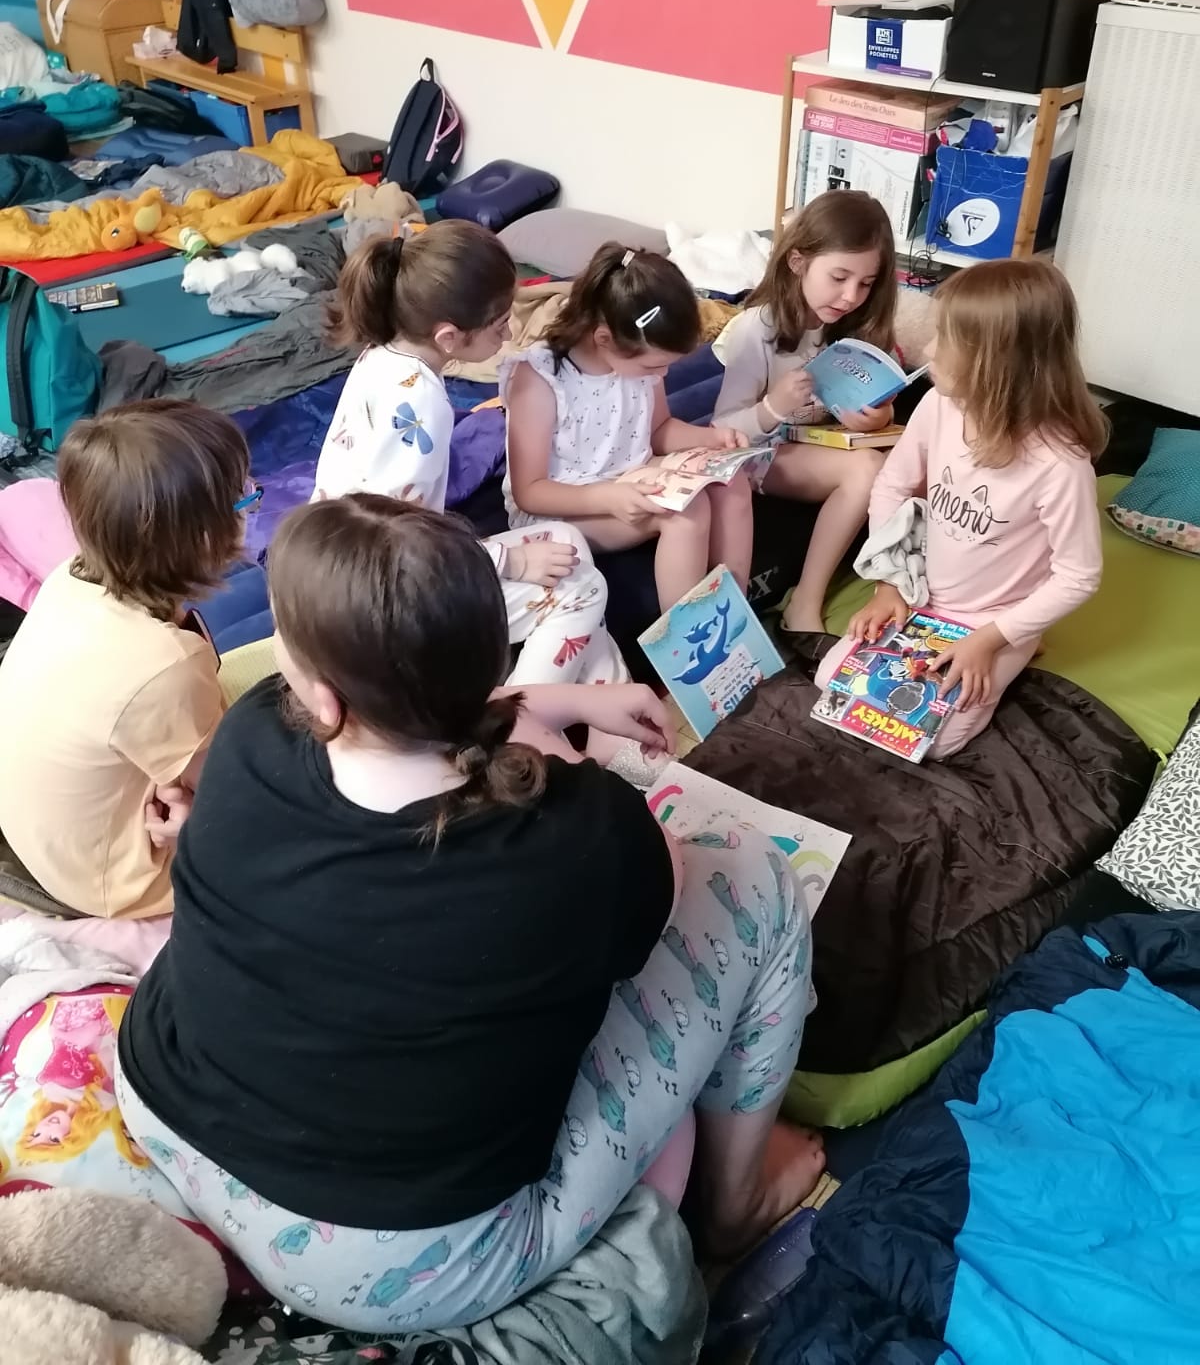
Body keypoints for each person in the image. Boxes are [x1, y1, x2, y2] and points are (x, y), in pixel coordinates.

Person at [115, 496, 823, 1332]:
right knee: (751, 876)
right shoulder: (579, 835)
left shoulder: (250, 733)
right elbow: (666, 887)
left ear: (326, 699)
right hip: (384, 1261)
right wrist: (550, 739)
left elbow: (412, 720)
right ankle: (738, 1205)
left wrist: (538, 710)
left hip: (162, 1104)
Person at [313, 222, 624, 684]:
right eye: (499, 326)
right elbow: (403, 544)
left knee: (566, 542)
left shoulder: (382, 356)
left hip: (345, 574)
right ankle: (527, 716)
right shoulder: (422, 402)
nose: (511, 333)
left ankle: (606, 699)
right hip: (383, 606)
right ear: (448, 337)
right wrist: (510, 562)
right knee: (584, 590)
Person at [820, 258, 1107, 758]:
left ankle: (1024, 642)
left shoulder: (1061, 464)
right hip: (921, 595)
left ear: (996, 361)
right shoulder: (938, 404)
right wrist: (890, 585)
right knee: (831, 685)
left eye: (945, 340)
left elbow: (1079, 576)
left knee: (938, 742)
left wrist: (994, 638)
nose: (929, 351)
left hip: (995, 620)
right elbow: (892, 486)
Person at [0, 401, 255, 919]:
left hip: (49, 839)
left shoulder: (70, 575)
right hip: (120, 880)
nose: (253, 501)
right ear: (201, 535)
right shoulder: (165, 664)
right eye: (244, 496)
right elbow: (228, 795)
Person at [503, 244, 753, 613]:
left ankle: (736, 618)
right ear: (604, 339)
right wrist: (609, 498)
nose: (662, 374)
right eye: (654, 367)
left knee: (732, 482)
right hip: (566, 504)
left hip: (631, 474)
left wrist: (712, 438)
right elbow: (530, 493)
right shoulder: (540, 378)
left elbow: (659, 430)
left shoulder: (639, 362)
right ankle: (687, 643)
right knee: (686, 512)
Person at [712, 191, 899, 633]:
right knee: (867, 470)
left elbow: (877, 398)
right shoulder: (757, 329)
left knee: (910, 462)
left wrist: (879, 417)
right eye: (839, 277)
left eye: (866, 284)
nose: (850, 296)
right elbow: (721, 429)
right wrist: (773, 406)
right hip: (761, 455)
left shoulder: (855, 328)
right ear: (797, 262)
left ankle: (901, 589)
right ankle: (805, 602)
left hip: (824, 445)